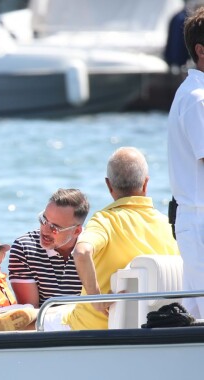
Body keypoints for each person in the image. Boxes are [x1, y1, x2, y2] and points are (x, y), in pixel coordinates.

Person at [50, 147, 179, 331]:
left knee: (42, 316)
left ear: (109, 185)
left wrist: (96, 300)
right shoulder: (169, 225)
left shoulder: (104, 221)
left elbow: (81, 252)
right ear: (145, 184)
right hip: (155, 328)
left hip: (89, 329)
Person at [168, 5, 204, 318]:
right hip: (199, 219)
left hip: (195, 219)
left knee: (196, 313)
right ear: (201, 50)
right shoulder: (198, 98)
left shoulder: (193, 93)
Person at [8, 188, 90, 308]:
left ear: (76, 231)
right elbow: (30, 315)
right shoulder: (24, 248)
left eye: (54, 228)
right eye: (43, 220)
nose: (45, 230)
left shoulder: (94, 249)